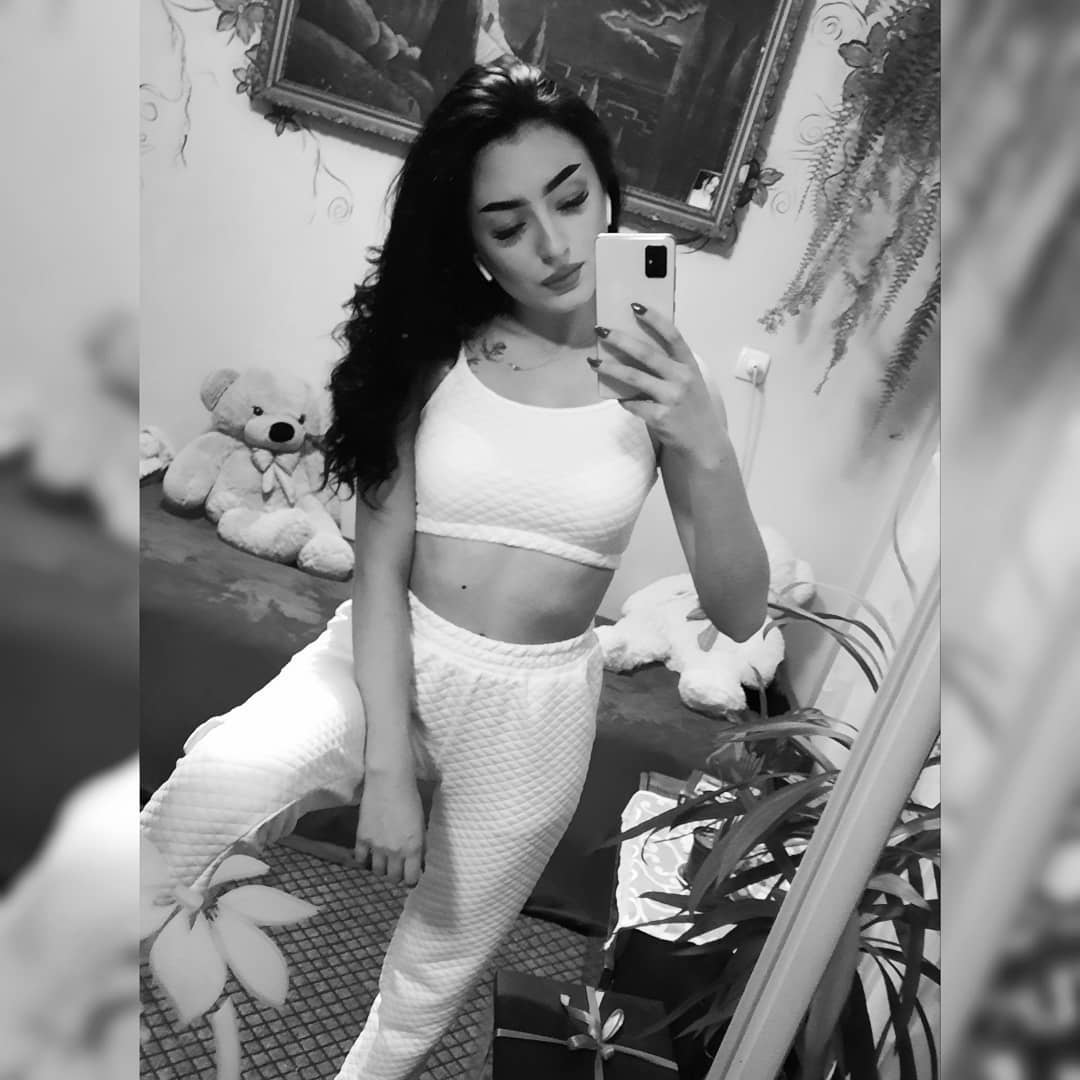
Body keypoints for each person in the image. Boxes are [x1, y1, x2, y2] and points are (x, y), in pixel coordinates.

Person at [140, 59, 769, 1079]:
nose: (555, 245)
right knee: (211, 788)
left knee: (436, 970)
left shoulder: (664, 386)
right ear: (470, 242)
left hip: (534, 708)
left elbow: (739, 613)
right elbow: (378, 569)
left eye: (571, 200)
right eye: (508, 225)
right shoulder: (433, 353)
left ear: (607, 193)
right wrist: (389, 768)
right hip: (386, 652)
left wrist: (704, 438)